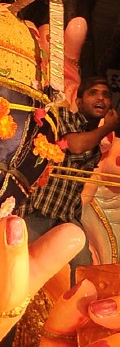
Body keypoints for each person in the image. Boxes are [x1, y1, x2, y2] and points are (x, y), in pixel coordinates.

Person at [28, 73, 118, 264]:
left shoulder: (95, 137)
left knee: (82, 272)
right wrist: (106, 128)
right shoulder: (65, 116)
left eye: (106, 95)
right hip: (40, 210)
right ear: (79, 101)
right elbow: (74, 145)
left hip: (66, 217)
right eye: (93, 93)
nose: (101, 98)